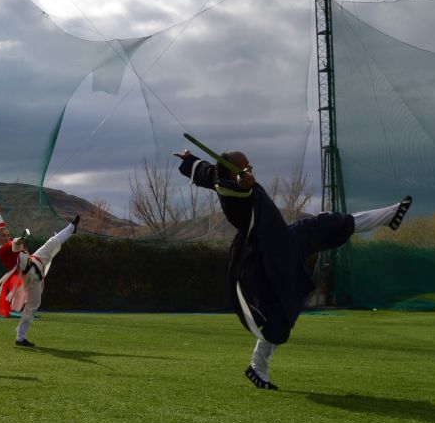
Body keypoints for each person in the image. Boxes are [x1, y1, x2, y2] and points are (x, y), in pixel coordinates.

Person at [175, 147, 413, 390]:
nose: (251, 171)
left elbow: (206, 172)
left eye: (249, 166)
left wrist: (189, 160)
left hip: (286, 239)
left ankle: (389, 215)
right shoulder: (232, 193)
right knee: (282, 318)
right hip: (268, 257)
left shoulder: (223, 178)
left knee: (328, 224)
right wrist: (241, 183)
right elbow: (230, 187)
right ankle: (258, 367)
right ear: (234, 176)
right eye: (246, 168)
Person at [0, 204, 80, 347]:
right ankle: (20, 338)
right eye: (3, 236)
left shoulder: (5, 241)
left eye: (7, 235)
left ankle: (72, 228)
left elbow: (4, 233)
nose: (6, 237)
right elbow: (13, 245)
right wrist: (19, 240)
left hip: (35, 260)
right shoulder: (2, 250)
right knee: (32, 306)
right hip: (31, 277)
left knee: (52, 242)